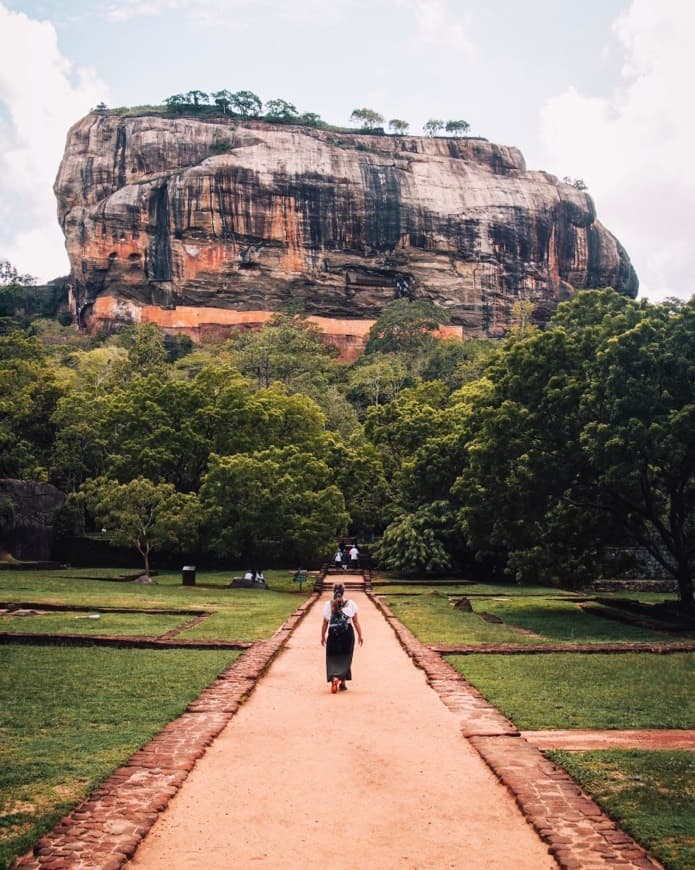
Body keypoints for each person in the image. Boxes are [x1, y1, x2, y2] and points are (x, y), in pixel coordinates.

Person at [321, 582, 363, 693]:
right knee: (346, 657)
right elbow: (355, 621)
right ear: (343, 592)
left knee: (332, 657)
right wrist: (360, 635)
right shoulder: (351, 604)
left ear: (333, 591)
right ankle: (342, 682)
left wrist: (322, 636)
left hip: (333, 633)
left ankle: (334, 679)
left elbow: (325, 622)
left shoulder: (328, 605)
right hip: (347, 633)